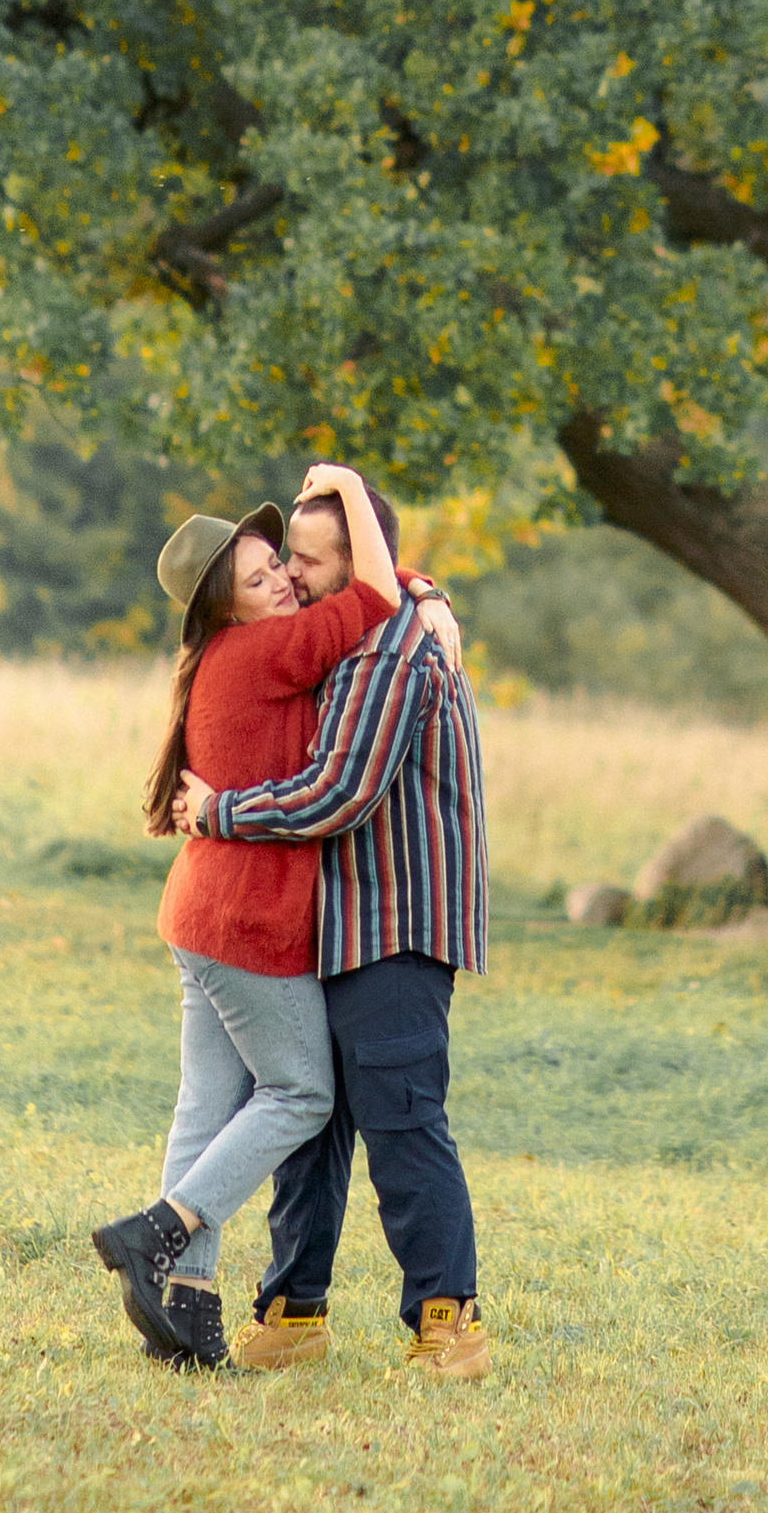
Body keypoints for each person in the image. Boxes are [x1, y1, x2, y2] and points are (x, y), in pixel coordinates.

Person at [172, 464, 490, 1380]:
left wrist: (220, 811)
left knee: (399, 1116)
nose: (294, 579)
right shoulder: (348, 635)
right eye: (287, 563)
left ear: (366, 564)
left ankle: (449, 1323)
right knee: (312, 1123)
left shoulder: (395, 646)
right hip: (338, 919)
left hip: (397, 918)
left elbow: (340, 793)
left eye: (309, 563)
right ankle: (291, 1313)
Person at [90, 474, 402, 1371]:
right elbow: (375, 595)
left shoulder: (229, 657)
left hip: (200, 913)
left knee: (208, 1104)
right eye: (263, 575)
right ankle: (165, 1228)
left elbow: (381, 585)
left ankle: (181, 1307)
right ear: (222, 602)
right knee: (302, 1093)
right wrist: (344, 484)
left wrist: (431, 593)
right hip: (243, 922)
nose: (284, 584)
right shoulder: (263, 652)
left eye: (282, 568)